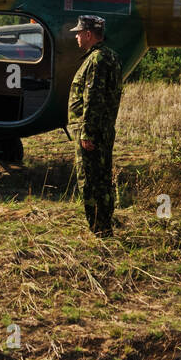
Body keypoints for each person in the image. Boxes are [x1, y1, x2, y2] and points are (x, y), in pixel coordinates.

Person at [66, 15, 123, 237]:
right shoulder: (112, 57)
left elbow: (93, 97)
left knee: (90, 182)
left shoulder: (96, 60)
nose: (77, 37)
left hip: (92, 131)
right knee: (102, 179)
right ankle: (104, 226)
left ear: (89, 34)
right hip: (104, 129)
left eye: (79, 33)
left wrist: (87, 132)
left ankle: (99, 229)